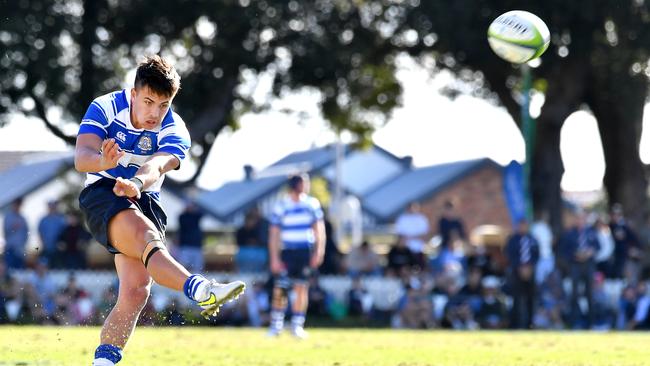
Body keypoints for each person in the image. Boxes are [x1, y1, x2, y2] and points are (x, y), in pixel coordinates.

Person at [74, 55, 245, 366]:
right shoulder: (105, 107)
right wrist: (102, 162)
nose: (154, 112)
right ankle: (201, 288)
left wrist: (137, 182)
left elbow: (159, 164)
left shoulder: (175, 127)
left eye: (163, 104)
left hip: (144, 195)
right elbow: (82, 156)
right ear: (134, 93)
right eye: (149, 101)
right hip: (103, 191)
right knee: (145, 235)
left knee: (137, 290)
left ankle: (103, 363)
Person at [267, 173, 326, 339]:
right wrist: (275, 258)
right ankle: (276, 326)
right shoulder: (282, 205)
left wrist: (318, 252)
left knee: (301, 288)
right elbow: (274, 233)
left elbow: (319, 229)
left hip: (304, 251)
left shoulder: (311, 204)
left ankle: (297, 326)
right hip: (287, 251)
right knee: (281, 288)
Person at [559, 210, 600, 329]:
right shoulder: (569, 233)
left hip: (588, 266)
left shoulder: (591, 232)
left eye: (582, 218)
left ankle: (591, 323)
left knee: (590, 294)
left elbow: (598, 246)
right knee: (574, 294)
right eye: (578, 218)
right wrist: (575, 255)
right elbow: (563, 251)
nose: (580, 221)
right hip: (575, 265)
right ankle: (574, 322)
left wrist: (590, 252)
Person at [505, 219, 539, 329]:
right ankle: (516, 324)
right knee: (516, 298)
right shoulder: (512, 240)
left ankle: (530, 323)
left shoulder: (533, 239)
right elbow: (509, 254)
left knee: (530, 298)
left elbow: (536, 255)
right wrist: (520, 267)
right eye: (521, 225)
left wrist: (529, 267)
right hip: (516, 272)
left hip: (530, 272)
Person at [394, 202, 429, 268]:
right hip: (406, 251)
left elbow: (424, 236)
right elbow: (401, 236)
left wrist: (410, 237)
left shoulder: (422, 219)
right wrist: (416, 236)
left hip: (419, 250)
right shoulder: (402, 219)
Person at [176, 201, 205, 272]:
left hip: (197, 246)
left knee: (198, 268)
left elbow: (203, 212)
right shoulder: (182, 217)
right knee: (183, 267)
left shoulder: (196, 216)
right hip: (185, 246)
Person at [37, 200, 67, 266]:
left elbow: (65, 233)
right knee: (43, 266)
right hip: (46, 248)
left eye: (54, 206)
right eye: (50, 206)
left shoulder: (61, 219)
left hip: (58, 250)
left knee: (57, 268)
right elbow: (40, 233)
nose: (52, 208)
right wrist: (43, 243)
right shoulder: (43, 220)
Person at [2, 198, 28, 269]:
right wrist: (13, 228)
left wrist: (24, 243)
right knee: (9, 270)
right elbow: (6, 232)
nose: (17, 206)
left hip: (20, 250)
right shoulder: (8, 217)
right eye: (16, 204)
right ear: (13, 205)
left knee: (20, 270)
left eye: (19, 204)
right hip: (10, 249)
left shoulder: (23, 218)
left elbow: (26, 233)